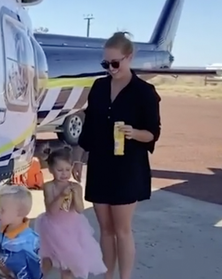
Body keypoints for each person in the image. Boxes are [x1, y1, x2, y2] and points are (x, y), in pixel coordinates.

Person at [71, 31, 161, 279]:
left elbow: (152, 134)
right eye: (105, 63)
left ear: (129, 57)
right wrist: (79, 157)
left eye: (115, 63)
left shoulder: (144, 92)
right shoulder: (99, 87)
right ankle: (107, 275)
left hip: (127, 167)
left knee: (122, 230)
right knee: (105, 229)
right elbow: (88, 129)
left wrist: (134, 132)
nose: (110, 68)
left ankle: (125, 277)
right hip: (100, 164)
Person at [35, 148, 106, 279]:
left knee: (70, 263)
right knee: (47, 260)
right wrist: (62, 196)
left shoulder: (76, 187)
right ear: (50, 169)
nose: (64, 174)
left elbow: (80, 209)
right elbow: (51, 211)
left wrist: (75, 195)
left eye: (67, 170)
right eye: (59, 170)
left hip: (73, 228)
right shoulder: (49, 186)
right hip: (53, 228)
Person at [0, 185, 42, 279]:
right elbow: (4, 247)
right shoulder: (5, 229)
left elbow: (34, 270)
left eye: (2, 210)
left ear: (20, 213)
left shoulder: (28, 243)